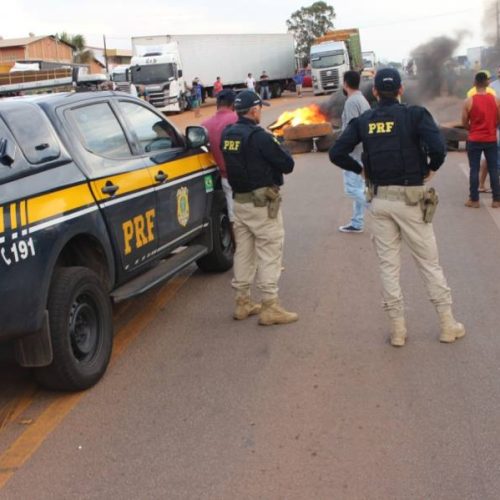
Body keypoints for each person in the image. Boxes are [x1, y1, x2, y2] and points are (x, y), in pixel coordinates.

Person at [330, 68, 465, 347]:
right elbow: (439, 148)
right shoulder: (415, 115)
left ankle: (398, 331)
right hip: (412, 201)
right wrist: (430, 169)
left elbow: (336, 152)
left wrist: (361, 169)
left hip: (380, 202)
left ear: (375, 92)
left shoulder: (364, 121)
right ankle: (447, 325)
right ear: (401, 89)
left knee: (388, 268)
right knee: (429, 264)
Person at [221, 90, 297, 325]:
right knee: (270, 252)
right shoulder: (260, 137)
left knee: (243, 252)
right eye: (259, 109)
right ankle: (270, 306)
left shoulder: (228, 134)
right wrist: (280, 145)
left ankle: (242, 302)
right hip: (262, 205)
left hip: (240, 203)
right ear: (254, 110)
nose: (261, 112)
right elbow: (287, 165)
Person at [337, 70, 371, 233]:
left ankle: (379, 209)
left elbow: (352, 130)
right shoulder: (362, 99)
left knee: (351, 189)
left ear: (345, 84)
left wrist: (343, 150)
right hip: (362, 152)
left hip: (354, 153)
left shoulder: (351, 102)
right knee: (359, 188)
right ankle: (357, 222)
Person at [462, 71, 500, 208]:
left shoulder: (468, 101)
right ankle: (496, 200)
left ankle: (474, 200)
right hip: (490, 138)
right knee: (494, 169)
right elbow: (498, 119)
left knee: (474, 169)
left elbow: (464, 122)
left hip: (474, 139)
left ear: (474, 83)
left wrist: (472, 129)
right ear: (487, 83)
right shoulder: (495, 100)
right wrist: (491, 126)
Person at [201, 89, 238, 231]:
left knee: (233, 217)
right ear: (233, 104)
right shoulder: (238, 119)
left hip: (225, 178)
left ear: (217, 104)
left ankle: (239, 249)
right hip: (247, 179)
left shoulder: (205, 125)